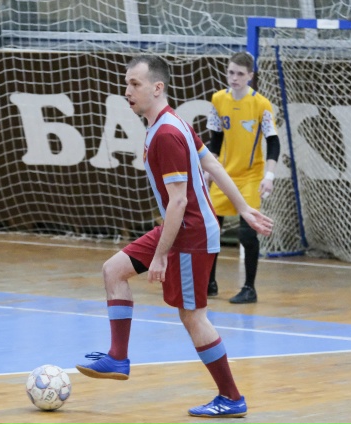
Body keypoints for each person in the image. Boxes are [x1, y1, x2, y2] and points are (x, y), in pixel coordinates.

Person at [75, 55, 273, 418]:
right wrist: (243, 207)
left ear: (157, 87)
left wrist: (161, 255)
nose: (127, 91)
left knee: (193, 317)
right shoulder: (171, 122)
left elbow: (179, 201)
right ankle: (117, 357)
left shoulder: (167, 134)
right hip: (178, 225)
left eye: (135, 84)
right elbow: (211, 163)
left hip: (190, 232)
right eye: (126, 83)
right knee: (114, 270)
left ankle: (231, 397)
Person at [206, 52, 280, 304]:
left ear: (250, 76)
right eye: (231, 72)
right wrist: (208, 171)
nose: (234, 78)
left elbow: (273, 142)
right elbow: (215, 141)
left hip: (250, 176)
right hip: (224, 175)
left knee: (247, 234)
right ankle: (209, 283)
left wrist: (269, 176)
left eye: (240, 74)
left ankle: (249, 288)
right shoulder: (218, 100)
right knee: (210, 231)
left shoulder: (261, 104)